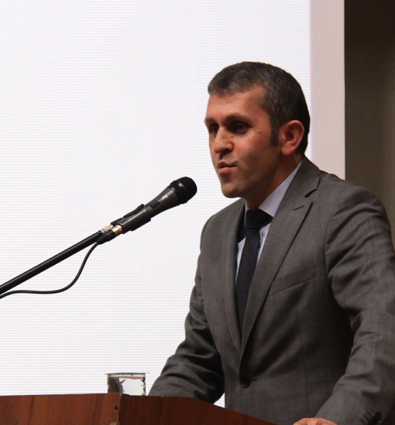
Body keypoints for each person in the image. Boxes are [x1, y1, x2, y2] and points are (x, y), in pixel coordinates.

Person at [149, 62, 395, 425]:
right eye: (213, 128)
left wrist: (337, 420)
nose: (219, 144)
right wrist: (144, 416)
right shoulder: (217, 231)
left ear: (289, 137)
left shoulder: (342, 209)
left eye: (238, 127)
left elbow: (383, 329)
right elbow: (200, 360)